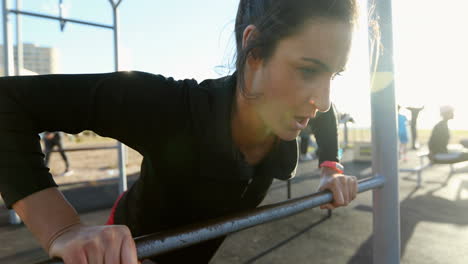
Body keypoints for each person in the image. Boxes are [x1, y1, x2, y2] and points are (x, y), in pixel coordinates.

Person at [0, 0, 360, 263]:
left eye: (334, 75)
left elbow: (326, 117)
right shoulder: (172, 107)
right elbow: (6, 102)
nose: (324, 101)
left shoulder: (296, 107)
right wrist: (63, 230)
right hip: (128, 250)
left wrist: (331, 168)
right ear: (255, 52)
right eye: (308, 70)